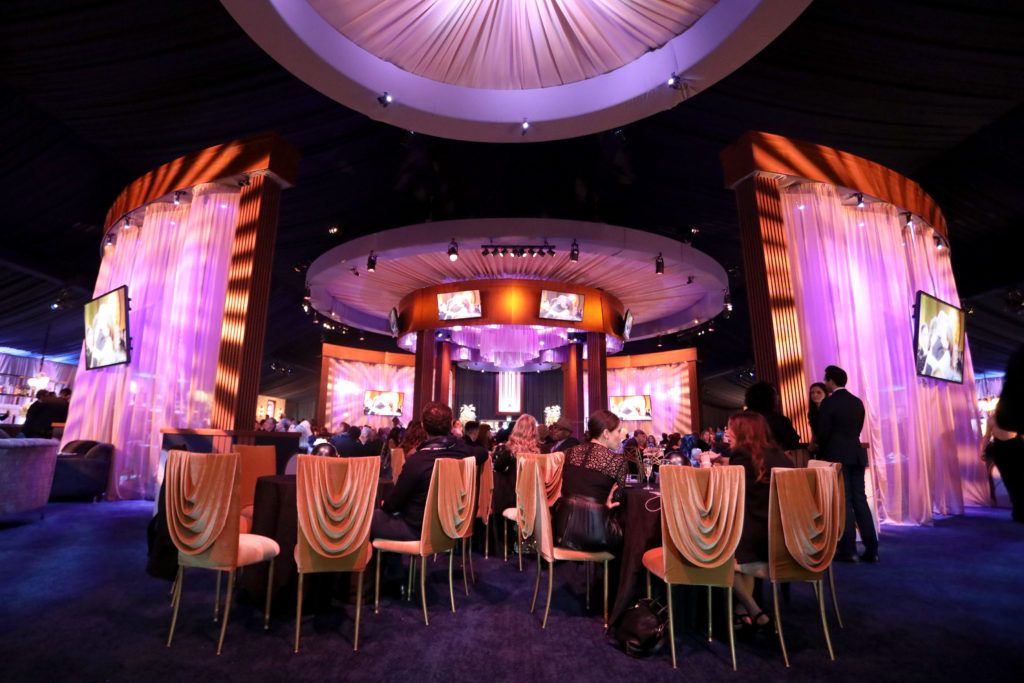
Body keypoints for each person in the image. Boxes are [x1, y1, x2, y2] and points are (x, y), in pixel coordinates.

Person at [728, 411, 793, 630]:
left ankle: (755, 611)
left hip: (759, 538)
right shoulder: (781, 455)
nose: (726, 432)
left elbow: (732, 495)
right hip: (786, 537)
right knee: (738, 543)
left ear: (741, 431)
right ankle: (740, 613)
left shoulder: (742, 455)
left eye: (729, 428)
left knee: (717, 549)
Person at [371, 402, 467, 542]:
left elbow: (394, 503)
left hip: (418, 528)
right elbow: (482, 453)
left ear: (423, 426)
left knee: (370, 518)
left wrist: (386, 506)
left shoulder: (417, 461)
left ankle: (385, 564)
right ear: (450, 426)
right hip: (453, 524)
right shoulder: (464, 452)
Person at [817, 365, 879, 563]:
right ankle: (872, 549)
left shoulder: (829, 403)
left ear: (831, 382)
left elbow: (823, 432)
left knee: (844, 502)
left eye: (826, 380)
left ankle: (848, 549)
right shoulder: (856, 402)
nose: (825, 383)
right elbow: (858, 428)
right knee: (860, 500)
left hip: (836, 455)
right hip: (856, 454)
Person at [552, 409, 628, 552]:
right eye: (618, 431)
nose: (621, 436)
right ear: (606, 434)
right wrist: (604, 504)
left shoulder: (569, 452)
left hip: (560, 528)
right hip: (596, 535)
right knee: (629, 529)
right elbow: (617, 502)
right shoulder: (617, 461)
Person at [982, 405, 1024, 523]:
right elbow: (987, 436)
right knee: (1009, 480)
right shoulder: (992, 419)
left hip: (1015, 446)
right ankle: (1017, 509)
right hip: (1000, 448)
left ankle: (1019, 509)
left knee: (1018, 479)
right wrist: (982, 450)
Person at [744, 382, 801, 451]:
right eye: (775, 394)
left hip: (745, 459)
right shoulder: (779, 420)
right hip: (772, 459)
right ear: (768, 397)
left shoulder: (740, 418)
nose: (778, 397)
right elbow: (793, 442)